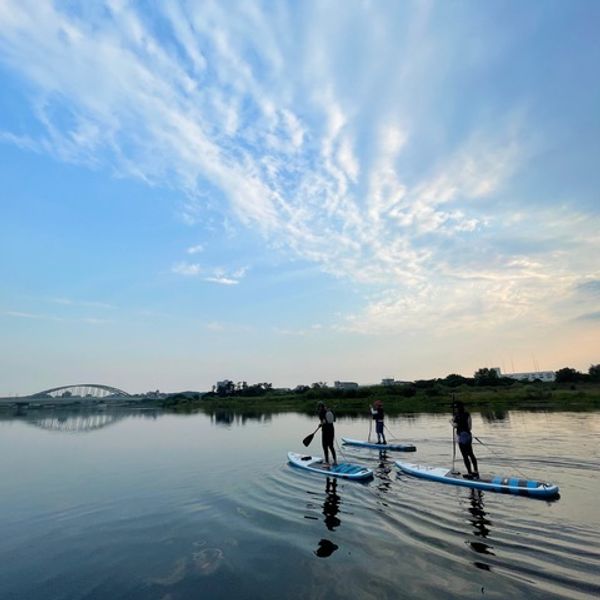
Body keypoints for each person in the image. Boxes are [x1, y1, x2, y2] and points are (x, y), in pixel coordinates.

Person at [452, 400, 479, 479]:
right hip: (468, 436)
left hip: (461, 437)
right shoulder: (467, 414)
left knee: (465, 456)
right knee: (471, 454)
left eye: (456, 407)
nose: (455, 409)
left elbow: (455, 425)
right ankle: (476, 471)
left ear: (457, 408)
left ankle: (470, 473)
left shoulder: (457, 416)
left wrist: (451, 421)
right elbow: (470, 427)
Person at [317, 401, 337, 466]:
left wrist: (320, 425)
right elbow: (334, 420)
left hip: (325, 431)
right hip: (331, 429)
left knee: (325, 446)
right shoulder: (329, 411)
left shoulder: (321, 412)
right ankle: (335, 461)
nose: (318, 408)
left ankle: (327, 462)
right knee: (331, 446)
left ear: (320, 407)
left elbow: (323, 421)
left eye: (318, 407)